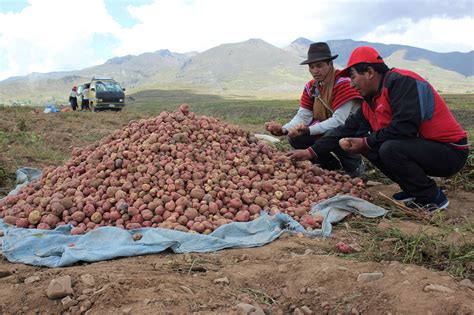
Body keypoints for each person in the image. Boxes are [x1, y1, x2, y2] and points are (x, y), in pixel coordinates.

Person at [287, 46, 469, 213]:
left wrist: (365, 141)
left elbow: (404, 127)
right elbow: (345, 128)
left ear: (370, 72)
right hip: (423, 149)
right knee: (370, 145)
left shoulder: (402, 82)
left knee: (388, 147)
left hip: (450, 151)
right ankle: (414, 189)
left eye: (353, 76)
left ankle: (432, 197)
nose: (351, 83)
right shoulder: (370, 100)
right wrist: (310, 152)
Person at [265, 42, 364, 177]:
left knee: (333, 133)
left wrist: (309, 130)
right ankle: (330, 167)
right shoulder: (311, 87)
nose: (315, 71)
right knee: (296, 138)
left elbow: (340, 121)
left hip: (352, 130)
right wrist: (284, 129)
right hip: (329, 128)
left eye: (319, 66)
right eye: (311, 67)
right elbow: (303, 115)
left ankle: (354, 167)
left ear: (330, 64)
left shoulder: (344, 83)